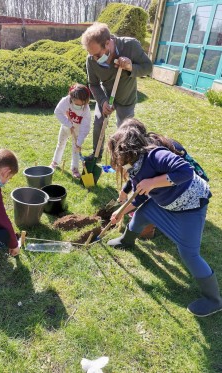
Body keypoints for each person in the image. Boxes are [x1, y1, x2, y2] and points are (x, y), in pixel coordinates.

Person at [106, 120, 222, 317]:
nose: (117, 159)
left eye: (118, 154)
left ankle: (214, 300)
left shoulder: (155, 155)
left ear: (129, 148)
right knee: (142, 213)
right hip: (166, 202)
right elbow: (140, 196)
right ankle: (127, 241)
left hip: (190, 206)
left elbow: (184, 171)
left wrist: (153, 182)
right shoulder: (135, 165)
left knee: (189, 253)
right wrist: (120, 212)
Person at [81, 22, 152, 162]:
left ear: (107, 43)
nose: (94, 58)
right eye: (91, 55)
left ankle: (124, 159)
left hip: (126, 97)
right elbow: (93, 85)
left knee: (125, 130)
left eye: (97, 54)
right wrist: (103, 102)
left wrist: (131, 66)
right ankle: (96, 155)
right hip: (106, 95)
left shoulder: (130, 46)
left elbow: (148, 67)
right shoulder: (91, 60)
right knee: (98, 122)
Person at [50, 83, 91, 178]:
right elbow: (57, 112)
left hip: (78, 130)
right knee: (60, 144)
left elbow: (85, 127)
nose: (75, 103)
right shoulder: (66, 100)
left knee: (75, 148)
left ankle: (75, 168)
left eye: (78, 103)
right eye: (73, 101)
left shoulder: (86, 110)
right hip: (66, 126)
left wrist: (79, 142)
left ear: (85, 101)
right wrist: (68, 124)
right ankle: (55, 162)